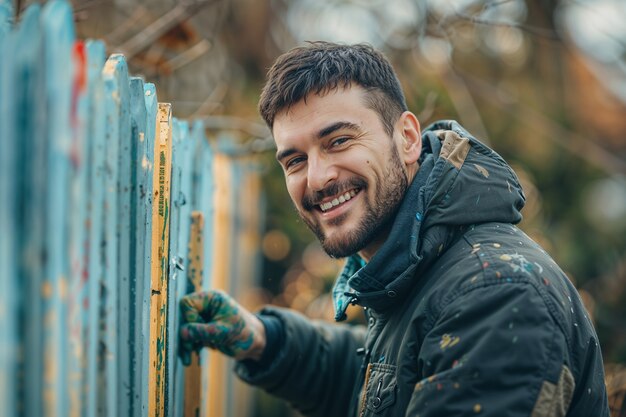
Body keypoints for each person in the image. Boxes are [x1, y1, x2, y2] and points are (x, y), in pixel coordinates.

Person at [179, 42, 610, 417]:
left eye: (338, 141)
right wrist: (265, 341)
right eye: (294, 160)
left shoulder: (496, 293)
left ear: (406, 137)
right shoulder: (425, 269)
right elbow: (384, 384)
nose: (316, 177)